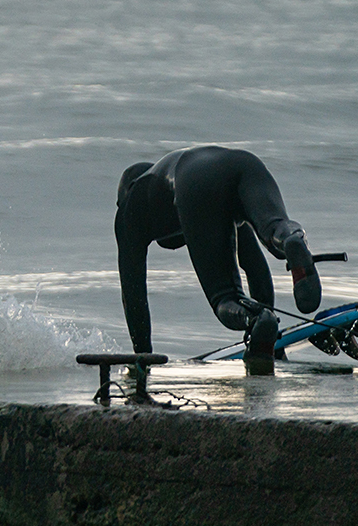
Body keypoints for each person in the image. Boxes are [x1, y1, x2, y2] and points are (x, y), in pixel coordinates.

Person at [113, 145, 322, 366]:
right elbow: (255, 266)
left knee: (226, 297)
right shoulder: (180, 177)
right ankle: (293, 239)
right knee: (274, 230)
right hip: (245, 162)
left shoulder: (131, 204)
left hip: (193, 179)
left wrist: (142, 356)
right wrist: (271, 337)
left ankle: (254, 318)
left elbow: (133, 293)